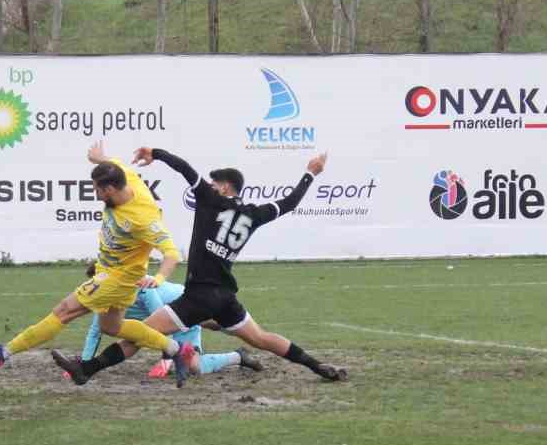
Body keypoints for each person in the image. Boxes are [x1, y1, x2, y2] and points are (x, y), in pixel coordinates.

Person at [52, 147, 346, 385]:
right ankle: (316, 365)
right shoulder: (255, 214)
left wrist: (156, 153)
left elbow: (185, 169)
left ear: (225, 187)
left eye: (215, 183)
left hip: (197, 296)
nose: (210, 185)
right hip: (224, 297)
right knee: (262, 338)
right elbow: (291, 202)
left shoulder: (210, 200)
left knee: (138, 335)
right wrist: (311, 172)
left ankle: (87, 370)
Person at [0, 142, 192, 383]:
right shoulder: (126, 178)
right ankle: (176, 349)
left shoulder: (144, 218)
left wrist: (158, 279)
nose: (95, 194)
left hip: (116, 279)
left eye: (97, 190)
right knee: (112, 328)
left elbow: (171, 253)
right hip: (115, 275)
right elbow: (116, 165)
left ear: (109, 190)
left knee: (64, 311)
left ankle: (3, 353)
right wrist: (100, 158)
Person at [75, 263, 262, 380]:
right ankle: (238, 356)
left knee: (213, 323)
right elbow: (95, 330)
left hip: (188, 308)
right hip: (172, 318)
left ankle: (240, 328)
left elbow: (163, 319)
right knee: (195, 368)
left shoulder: (140, 285)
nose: (95, 287)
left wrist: (166, 361)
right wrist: (83, 361)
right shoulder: (105, 298)